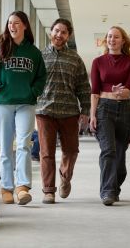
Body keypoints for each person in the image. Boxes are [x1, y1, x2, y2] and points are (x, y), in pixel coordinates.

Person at [0, 11, 47, 205]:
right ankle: (7, 188)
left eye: (16, 23)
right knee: (5, 146)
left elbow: (41, 77)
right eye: (10, 23)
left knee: (24, 144)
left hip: (26, 103)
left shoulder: (33, 52)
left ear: (25, 26)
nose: (12, 26)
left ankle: (22, 187)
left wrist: (33, 91)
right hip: (3, 104)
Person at [36, 18, 91, 204]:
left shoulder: (75, 59)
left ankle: (65, 178)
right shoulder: (40, 55)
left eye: (64, 32)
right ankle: (48, 190)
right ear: (51, 32)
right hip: (45, 110)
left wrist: (85, 110)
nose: (59, 35)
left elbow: (83, 86)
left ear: (68, 36)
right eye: (57, 31)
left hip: (69, 112)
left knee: (71, 150)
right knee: (46, 152)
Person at [90, 26, 130, 206]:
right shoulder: (98, 62)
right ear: (106, 40)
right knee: (108, 151)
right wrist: (92, 116)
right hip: (104, 110)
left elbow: (128, 90)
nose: (112, 39)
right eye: (110, 37)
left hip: (124, 110)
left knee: (120, 155)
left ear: (123, 41)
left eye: (116, 37)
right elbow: (95, 91)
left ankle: (114, 187)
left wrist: (121, 92)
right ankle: (108, 192)